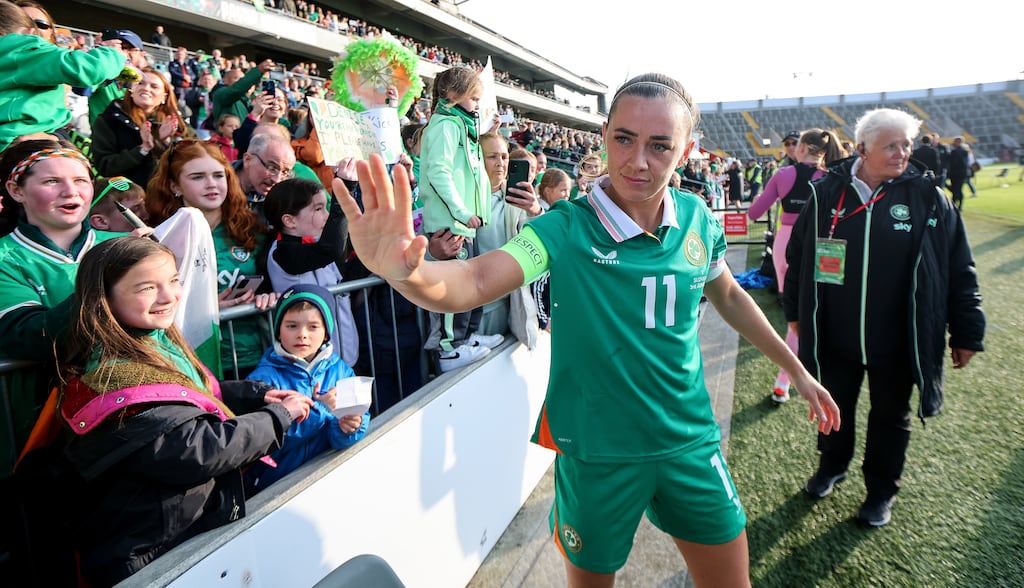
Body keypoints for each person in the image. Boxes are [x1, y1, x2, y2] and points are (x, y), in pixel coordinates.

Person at [337, 73, 841, 587]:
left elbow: (730, 295)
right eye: (624, 138)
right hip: (596, 453)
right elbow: (473, 278)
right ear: (604, 134)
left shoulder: (697, 218)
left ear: (686, 150)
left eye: (660, 145)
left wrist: (796, 370)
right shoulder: (564, 227)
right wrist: (405, 271)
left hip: (689, 442)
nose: (637, 161)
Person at [58, 236, 312, 586]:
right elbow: (197, 449)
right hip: (148, 555)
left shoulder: (154, 340)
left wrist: (255, 396)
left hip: (178, 531)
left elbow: (192, 394)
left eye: (174, 280)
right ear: (105, 298)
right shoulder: (114, 374)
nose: (169, 296)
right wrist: (278, 417)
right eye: (147, 287)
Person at [784, 108, 984, 527]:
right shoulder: (826, 194)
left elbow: (959, 267)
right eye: (890, 145)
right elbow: (798, 257)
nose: (902, 153)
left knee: (891, 418)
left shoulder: (930, 198)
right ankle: (831, 468)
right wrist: (796, 316)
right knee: (833, 409)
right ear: (862, 149)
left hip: (898, 340)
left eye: (906, 145)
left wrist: (967, 331)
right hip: (835, 335)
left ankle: (880, 491)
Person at [145, 139, 277, 376]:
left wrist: (268, 296)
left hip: (253, 357)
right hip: (189, 362)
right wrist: (203, 308)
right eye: (197, 177)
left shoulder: (252, 230)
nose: (211, 185)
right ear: (175, 186)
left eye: (218, 175)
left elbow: (273, 282)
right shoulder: (160, 236)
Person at [747, 128, 844, 402]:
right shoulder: (834, 176)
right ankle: (800, 378)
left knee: (796, 315)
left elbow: (754, 213)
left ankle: (784, 382)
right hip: (828, 243)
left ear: (801, 148)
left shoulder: (783, 175)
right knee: (825, 309)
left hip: (788, 243)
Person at [244, 283, 369, 494]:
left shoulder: (341, 370)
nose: (302, 334)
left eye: (313, 327)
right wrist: (323, 409)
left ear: (327, 333)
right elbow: (270, 437)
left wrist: (350, 428)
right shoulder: (262, 380)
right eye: (292, 326)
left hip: (327, 477)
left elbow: (355, 422)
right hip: (277, 485)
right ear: (278, 330)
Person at [418, 65, 497, 371]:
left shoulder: (462, 126)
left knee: (471, 283)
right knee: (455, 287)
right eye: (474, 98)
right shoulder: (444, 126)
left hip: (462, 222)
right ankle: (449, 348)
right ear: (452, 95)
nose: (478, 104)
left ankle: (468, 337)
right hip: (450, 224)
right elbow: (439, 173)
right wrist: (461, 212)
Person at [259, 176, 359, 366]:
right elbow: (330, 249)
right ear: (289, 220)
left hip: (343, 358)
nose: (327, 215)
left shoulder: (316, 247)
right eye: (319, 209)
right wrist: (345, 189)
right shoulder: (282, 253)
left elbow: (348, 276)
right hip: (309, 363)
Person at [0, 2, 125, 150]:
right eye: (29, 21)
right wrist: (112, 52)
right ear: (27, 32)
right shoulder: (25, 48)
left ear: (53, 32)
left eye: (41, 24)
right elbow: (91, 69)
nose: (36, 31)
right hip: (20, 141)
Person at [91, 66, 195, 187]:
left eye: (154, 86)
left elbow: (193, 158)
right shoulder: (108, 120)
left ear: (164, 97)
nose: (146, 89)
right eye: (140, 83)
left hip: (169, 194)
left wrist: (165, 142)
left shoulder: (176, 122)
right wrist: (142, 149)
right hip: (130, 197)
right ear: (131, 89)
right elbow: (105, 167)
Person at [947, 136, 970, 210]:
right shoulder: (964, 152)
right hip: (962, 174)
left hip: (956, 174)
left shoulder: (955, 152)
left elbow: (953, 164)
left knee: (955, 190)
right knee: (958, 190)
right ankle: (959, 205)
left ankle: (954, 204)